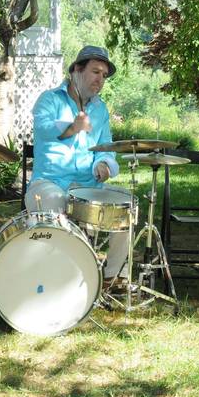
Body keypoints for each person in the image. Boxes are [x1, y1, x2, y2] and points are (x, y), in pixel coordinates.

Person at [28, 45, 130, 288]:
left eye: (104, 76)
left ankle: (112, 277)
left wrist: (105, 164)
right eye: (95, 72)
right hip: (49, 183)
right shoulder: (50, 99)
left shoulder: (100, 109)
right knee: (53, 200)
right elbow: (42, 127)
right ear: (76, 70)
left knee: (127, 203)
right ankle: (53, 277)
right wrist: (72, 126)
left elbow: (106, 147)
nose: (100, 80)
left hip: (86, 186)